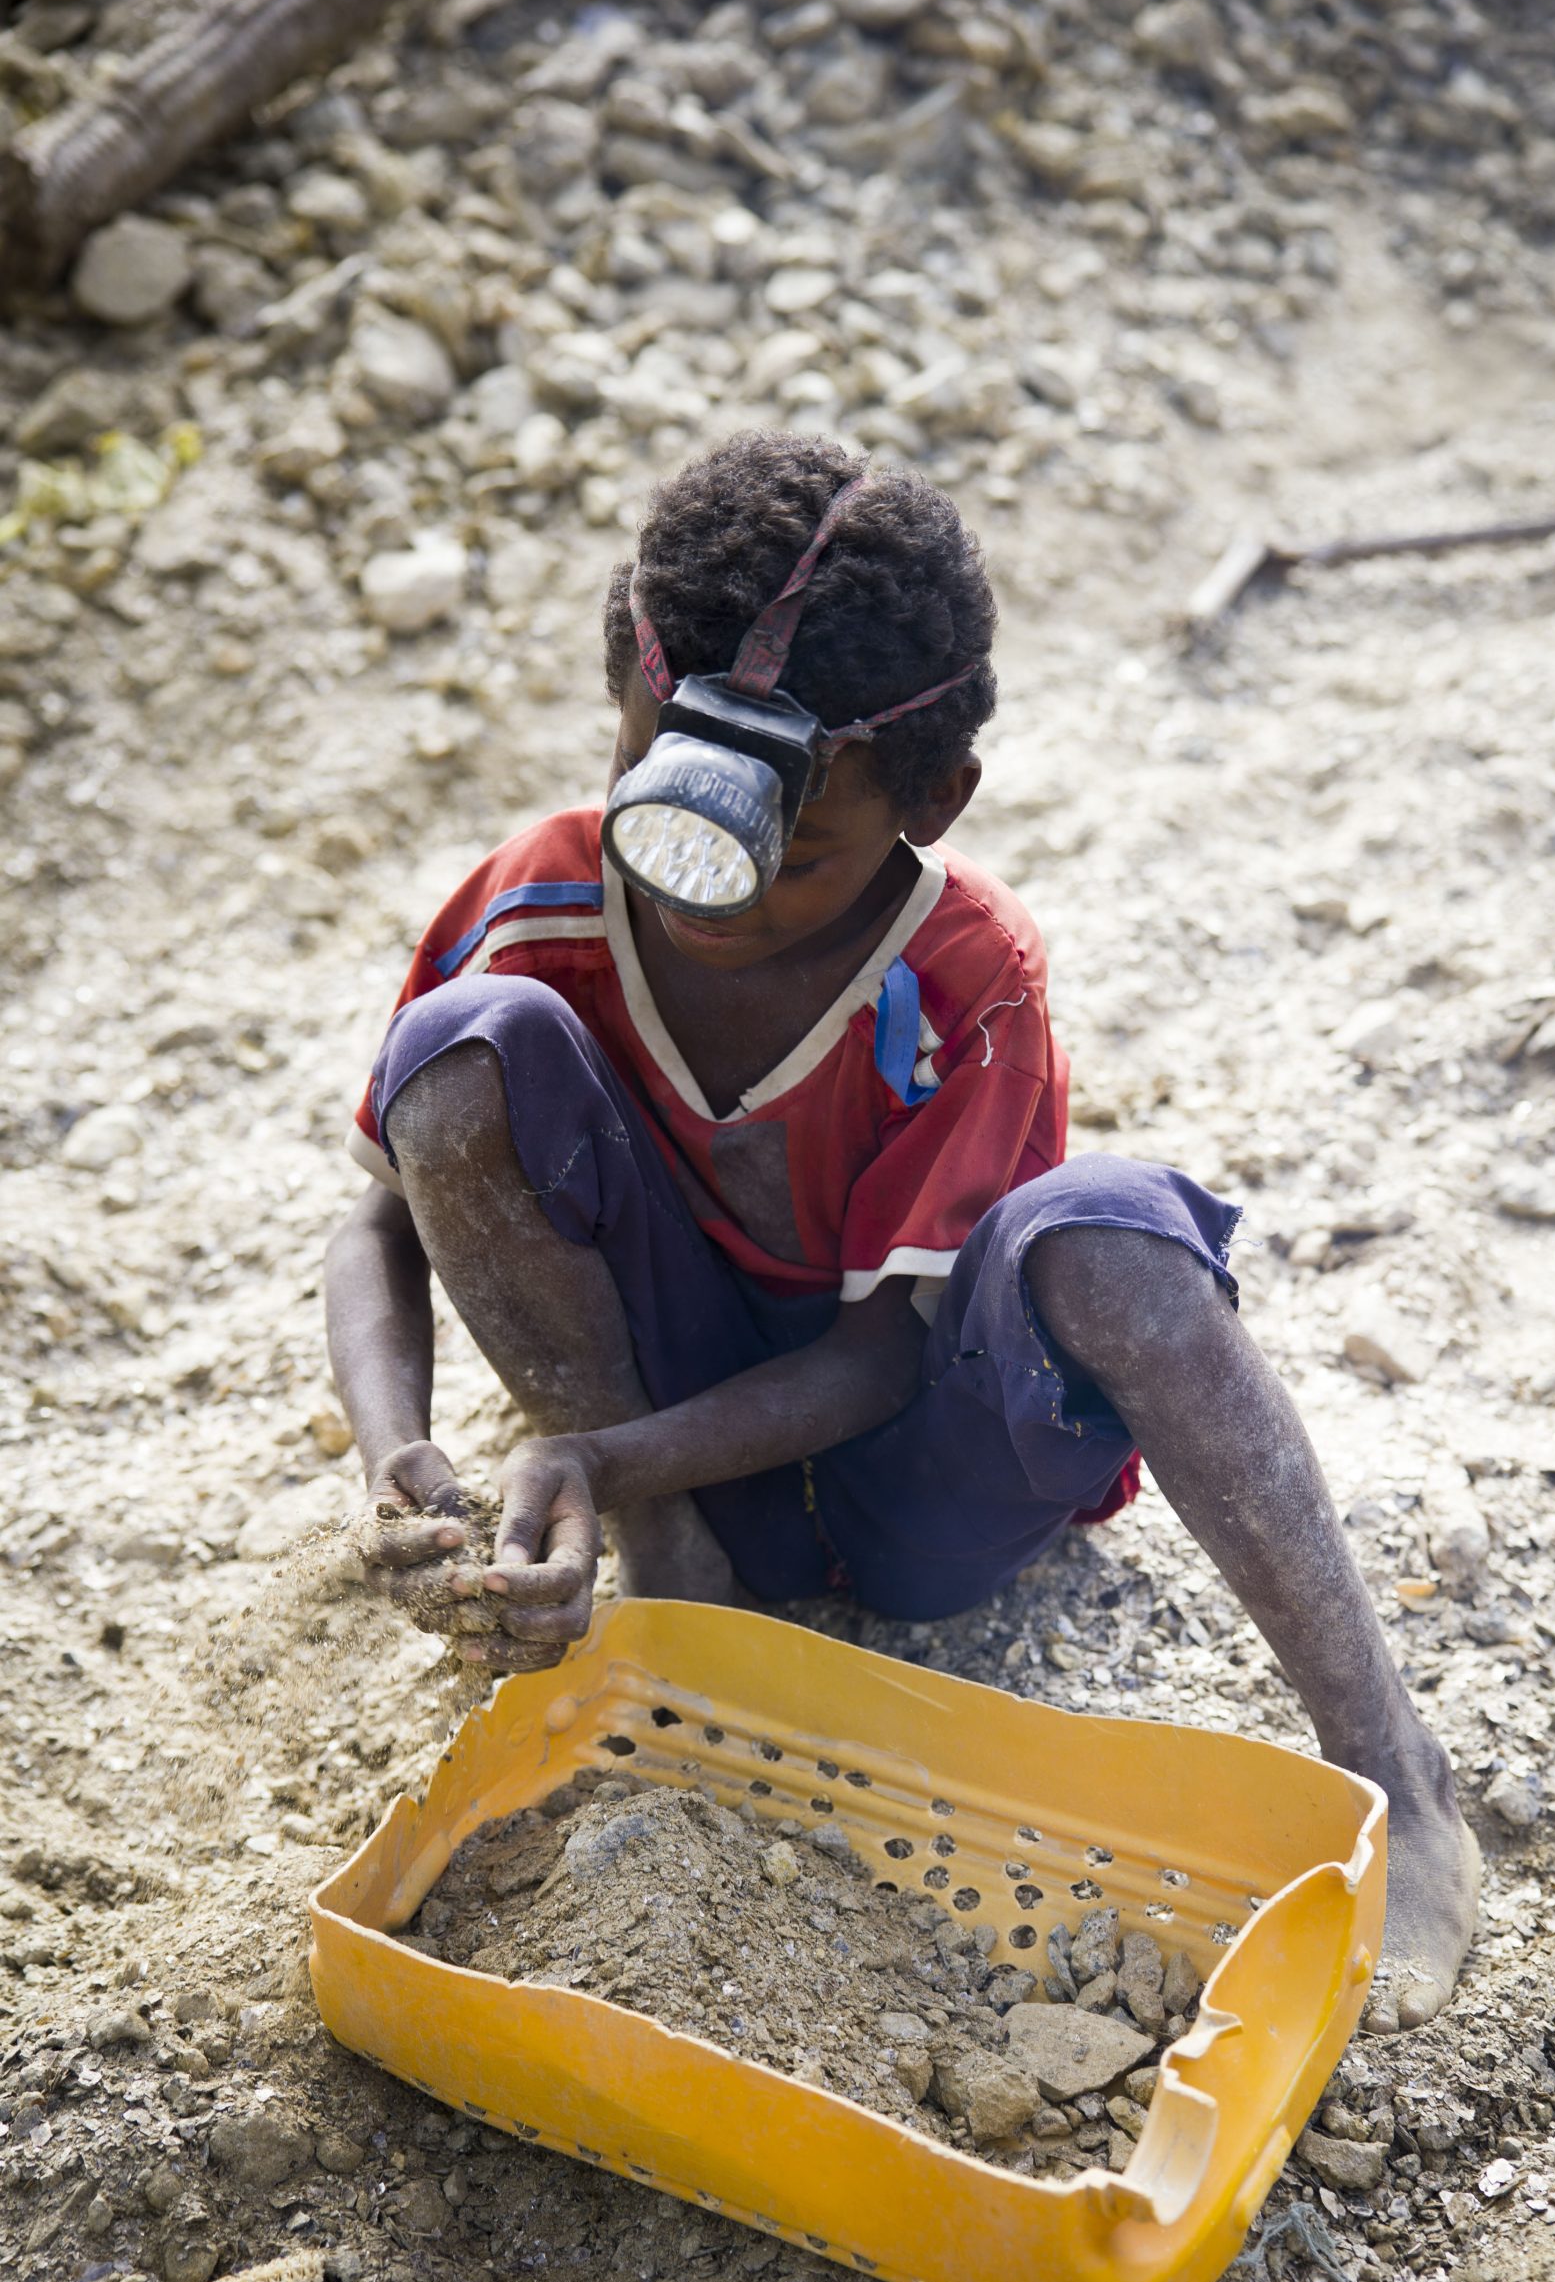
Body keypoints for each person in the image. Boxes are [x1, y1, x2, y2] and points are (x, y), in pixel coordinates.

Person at [324, 430, 1479, 2034]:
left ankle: (1398, 1785)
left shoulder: (963, 976)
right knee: (461, 1053)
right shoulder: (540, 898)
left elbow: (886, 1353)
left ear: (936, 797)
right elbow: (382, 1216)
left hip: (922, 1486)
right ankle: (683, 1588)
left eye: (791, 859)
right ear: (621, 704)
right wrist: (402, 1461)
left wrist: (611, 1457)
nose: (704, 902)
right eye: (654, 815)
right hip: (666, 1471)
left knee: (1112, 1236)